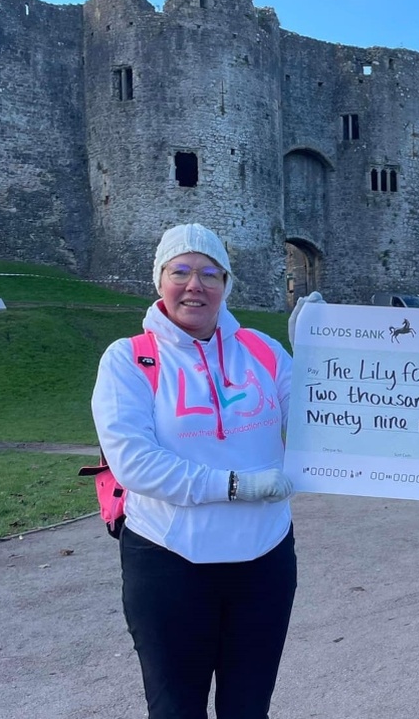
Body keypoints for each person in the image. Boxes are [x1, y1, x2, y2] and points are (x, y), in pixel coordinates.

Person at [91, 223, 297, 719]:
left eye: (210, 273)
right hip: (169, 561)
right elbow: (136, 463)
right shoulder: (129, 359)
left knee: (248, 710)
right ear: (159, 280)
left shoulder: (265, 352)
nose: (194, 285)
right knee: (176, 711)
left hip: (264, 560)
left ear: (226, 284)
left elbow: (328, 423)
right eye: (179, 271)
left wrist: (328, 349)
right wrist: (235, 485)